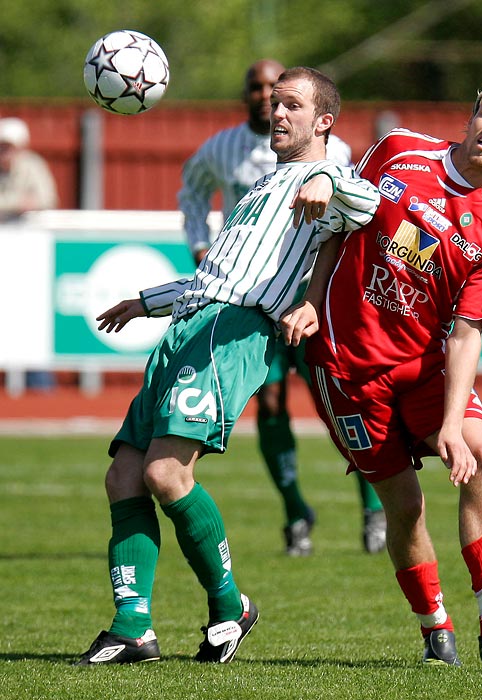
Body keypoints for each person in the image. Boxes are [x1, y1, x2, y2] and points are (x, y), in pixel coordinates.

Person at [75, 66, 381, 666]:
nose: (278, 112)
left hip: (233, 334)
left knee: (166, 474)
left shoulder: (329, 175)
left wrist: (333, 189)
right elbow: (218, 274)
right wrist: (147, 301)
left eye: (292, 104)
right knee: (124, 477)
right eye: (275, 103)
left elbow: (370, 206)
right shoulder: (266, 186)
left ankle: (230, 606)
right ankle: (132, 626)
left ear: (323, 121)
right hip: (187, 324)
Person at [281, 76, 482, 669]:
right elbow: (342, 222)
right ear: (471, 115)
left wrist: (454, 424)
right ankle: (437, 628)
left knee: (480, 452)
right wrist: (310, 297)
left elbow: (466, 335)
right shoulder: (400, 149)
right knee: (404, 507)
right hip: (346, 365)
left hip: (425, 368)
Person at [178, 59, 386, 556]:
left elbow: (356, 214)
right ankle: (295, 512)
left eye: (285, 95)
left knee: (337, 400)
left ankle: (374, 509)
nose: (270, 101)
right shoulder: (222, 147)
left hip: (311, 296)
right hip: (248, 297)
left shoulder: (330, 151)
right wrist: (200, 248)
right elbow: (190, 191)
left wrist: (333, 182)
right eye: (263, 92)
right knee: (269, 403)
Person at [0, 116, 59, 391]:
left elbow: (44, 200)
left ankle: (40, 389)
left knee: (33, 319)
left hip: (30, 261)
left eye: (8, 147)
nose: (4, 153)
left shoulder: (32, 167)